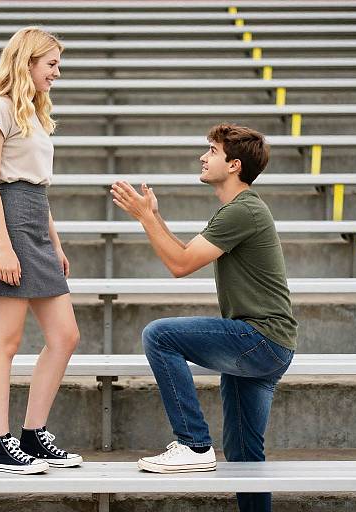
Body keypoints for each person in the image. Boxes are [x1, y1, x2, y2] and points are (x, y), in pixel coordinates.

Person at [110, 123, 298, 512]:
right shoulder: (240, 209)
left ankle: (194, 444)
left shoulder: (243, 210)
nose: (203, 156)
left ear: (233, 165)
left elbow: (179, 265)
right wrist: (154, 218)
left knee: (159, 335)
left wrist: (144, 218)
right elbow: (183, 252)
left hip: (259, 338)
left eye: (211, 151)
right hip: (268, 343)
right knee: (245, 454)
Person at [0, 27, 82, 474]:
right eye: (51, 63)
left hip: (35, 221)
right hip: (8, 225)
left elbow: (37, 186)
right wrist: (4, 247)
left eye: (58, 65)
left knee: (65, 336)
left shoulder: (34, 112)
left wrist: (54, 243)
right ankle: (0, 442)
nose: (57, 72)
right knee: (6, 341)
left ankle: (33, 433)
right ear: (27, 61)